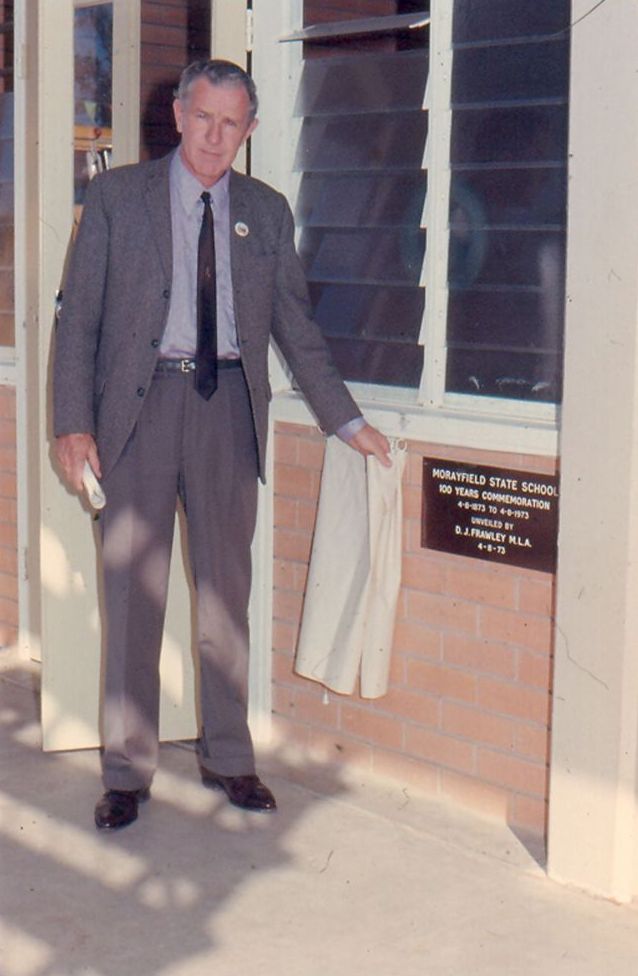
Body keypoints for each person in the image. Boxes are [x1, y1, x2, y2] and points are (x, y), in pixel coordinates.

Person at [53, 59, 391, 831]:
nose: (214, 137)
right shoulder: (116, 199)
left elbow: (296, 330)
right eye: (203, 118)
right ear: (177, 115)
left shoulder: (267, 213)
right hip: (134, 414)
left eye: (230, 124)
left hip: (226, 412)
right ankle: (126, 772)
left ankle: (230, 759)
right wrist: (73, 424)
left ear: (250, 130)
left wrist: (346, 420)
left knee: (224, 601)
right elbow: (79, 322)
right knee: (133, 600)